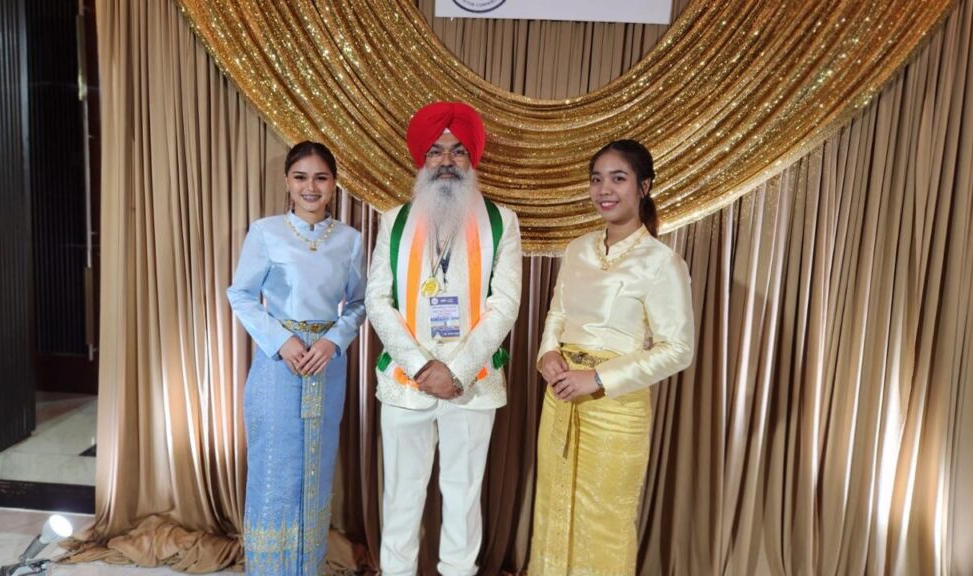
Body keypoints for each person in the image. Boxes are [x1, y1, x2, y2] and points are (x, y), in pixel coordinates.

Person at [365, 102, 522, 576]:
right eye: (435, 151)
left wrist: (455, 370)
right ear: (422, 159)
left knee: (463, 495)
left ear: (472, 158)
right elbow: (377, 300)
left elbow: (505, 304)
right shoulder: (394, 220)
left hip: (471, 385)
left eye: (458, 151)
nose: (447, 161)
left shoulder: (502, 221)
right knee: (401, 496)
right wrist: (421, 366)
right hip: (405, 383)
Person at [529, 139, 695, 575]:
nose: (604, 189)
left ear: (644, 186)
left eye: (618, 178)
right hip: (560, 397)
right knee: (552, 507)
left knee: (604, 523)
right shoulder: (578, 249)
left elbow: (678, 349)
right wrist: (547, 354)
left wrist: (597, 378)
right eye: (596, 179)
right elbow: (557, 313)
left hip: (616, 407)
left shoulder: (662, 263)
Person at [227, 141, 366, 575]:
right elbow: (241, 294)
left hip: (326, 366)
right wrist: (282, 340)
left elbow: (359, 303)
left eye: (321, 178)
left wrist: (333, 341)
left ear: (334, 184)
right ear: (287, 182)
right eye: (301, 177)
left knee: (315, 471)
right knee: (275, 471)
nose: (311, 187)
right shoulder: (265, 232)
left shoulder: (350, 240)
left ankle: (308, 567)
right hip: (277, 365)